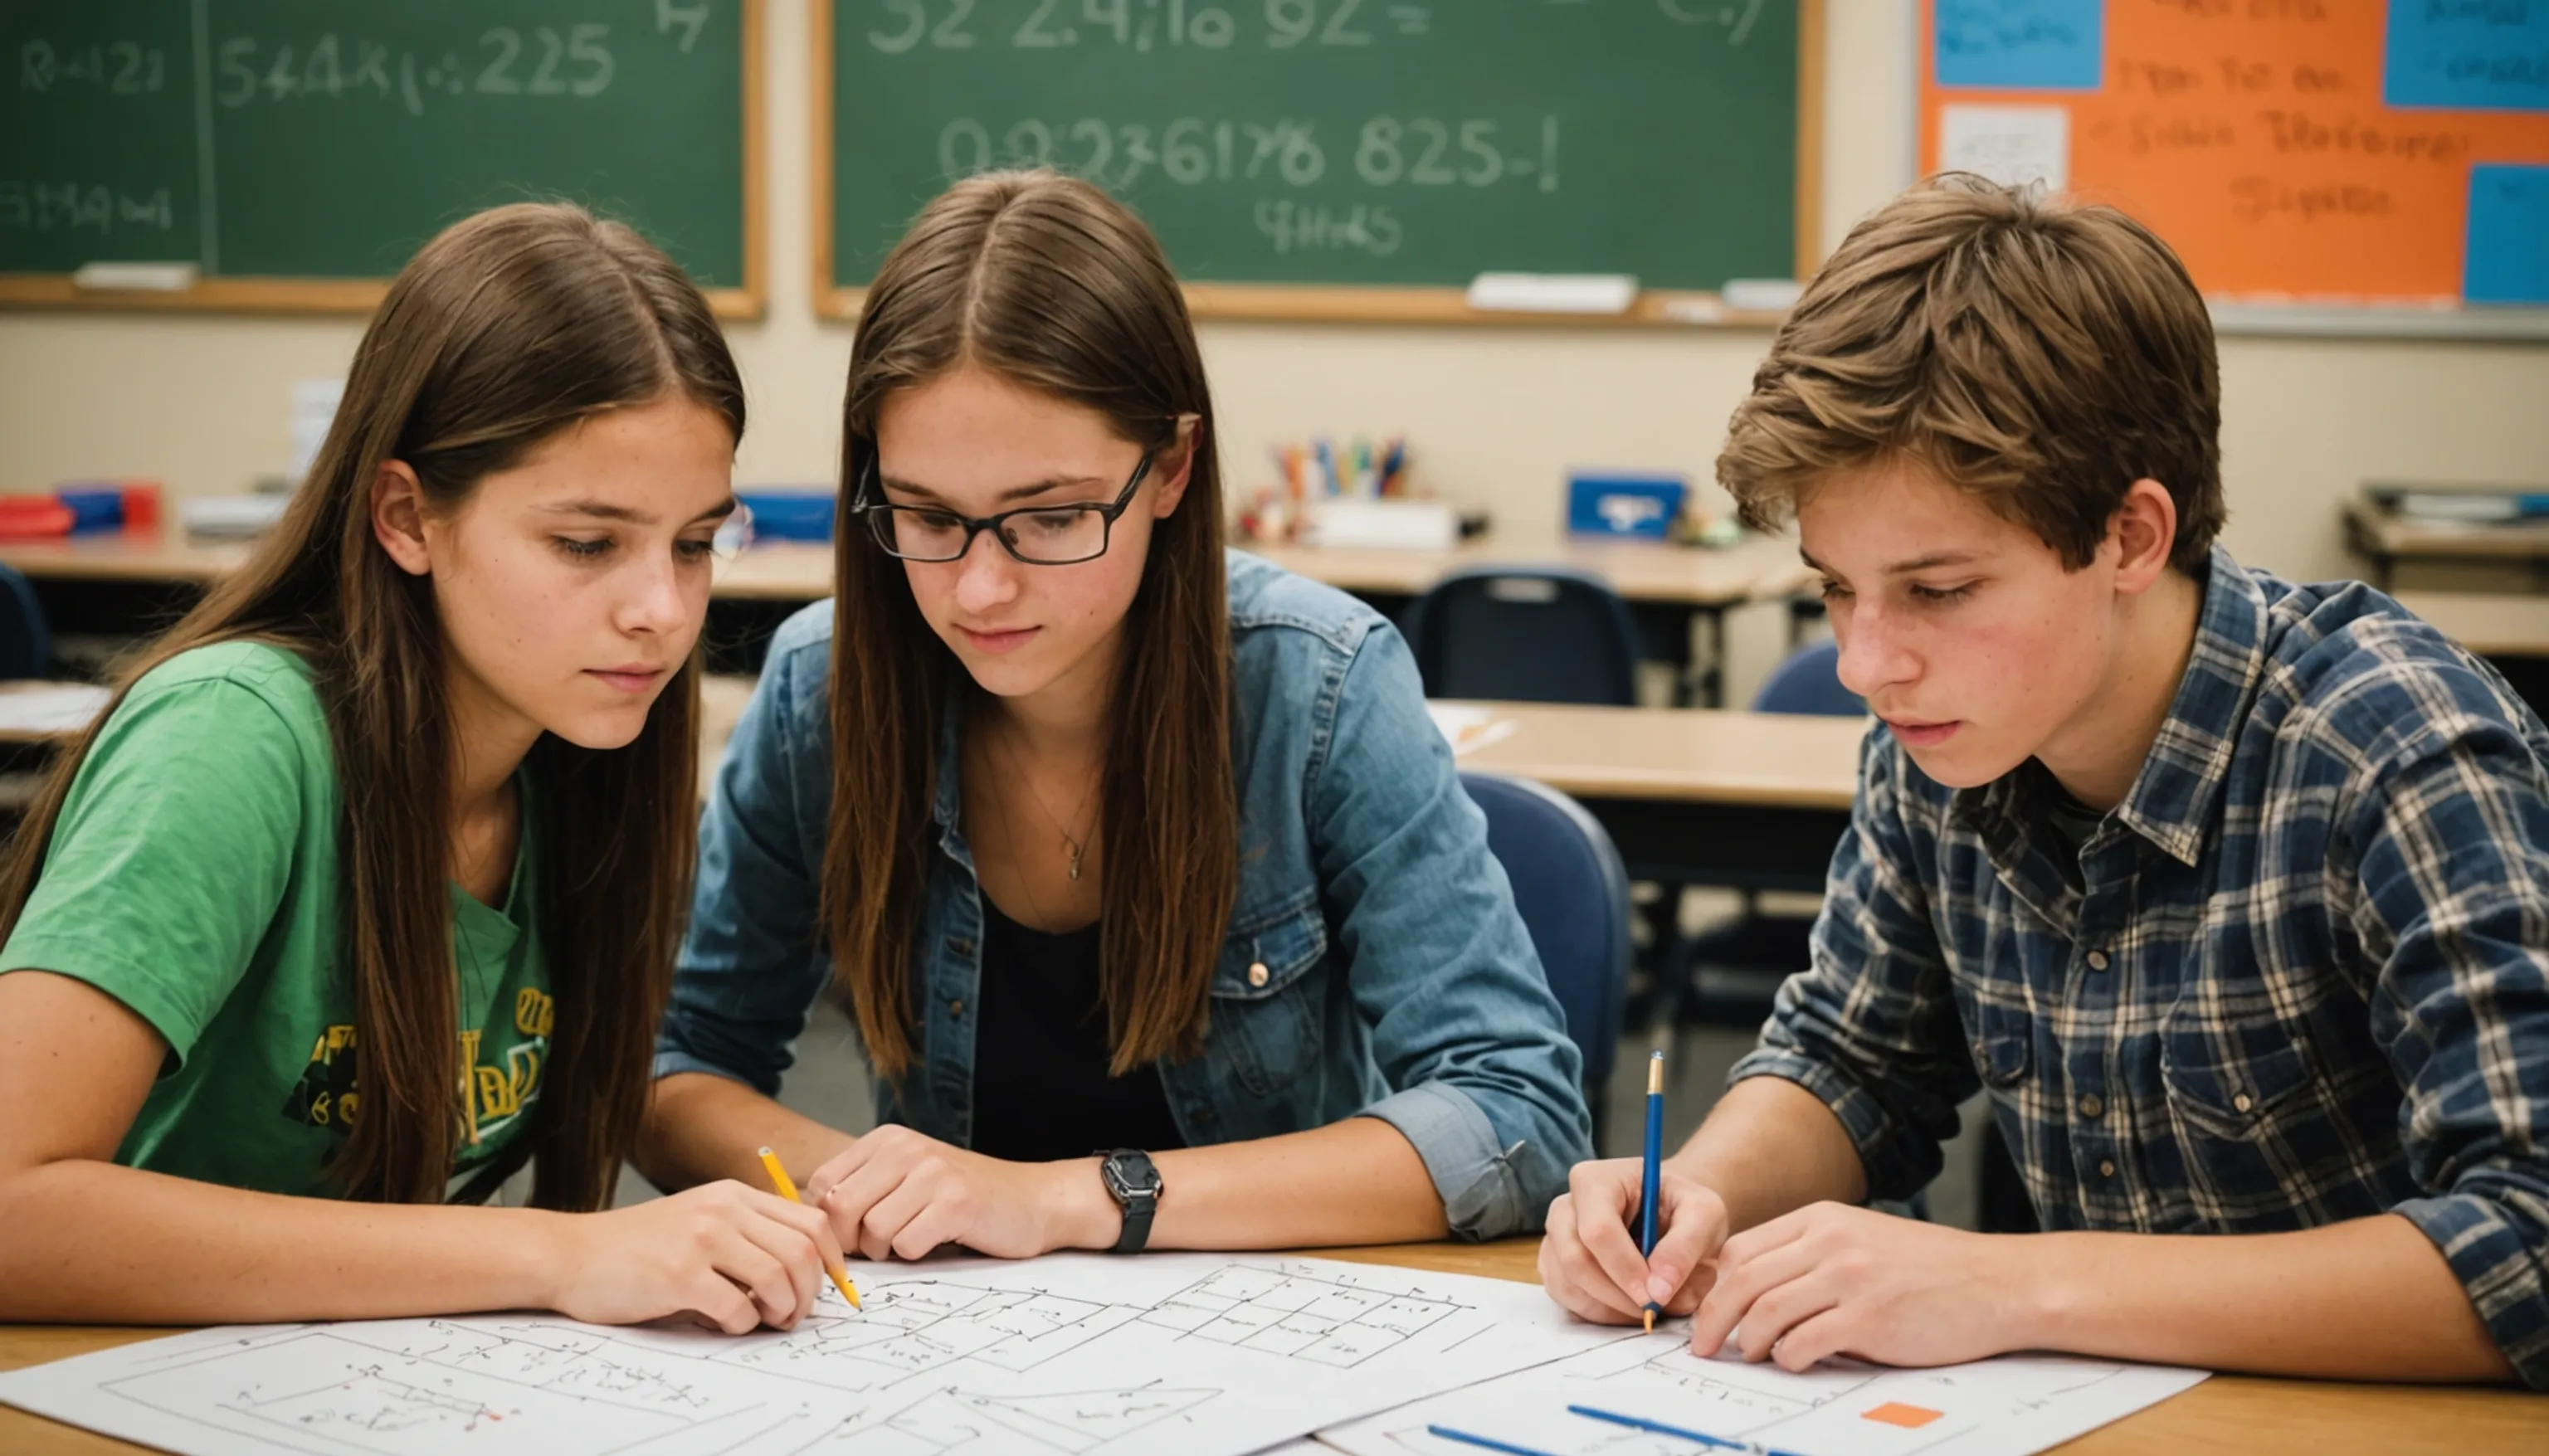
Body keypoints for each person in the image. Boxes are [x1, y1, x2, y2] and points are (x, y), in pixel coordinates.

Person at [1540, 174, 2547, 1387]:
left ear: (2131, 536)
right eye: (1834, 586)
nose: (1865, 661)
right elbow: (1855, 1061)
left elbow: (2527, 1242)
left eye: (1940, 589)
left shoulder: (2396, 750)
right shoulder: (1943, 742)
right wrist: (1693, 1192)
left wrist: (2006, 1280)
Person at [641, 170, 1591, 1259]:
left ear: (1173, 467)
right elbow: (681, 1065)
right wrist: (880, 1186)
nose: (980, 588)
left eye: (1050, 517)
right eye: (926, 515)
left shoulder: (1319, 688)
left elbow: (1516, 1111)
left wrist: (1057, 1200)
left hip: (1280, 1326)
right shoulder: (825, 691)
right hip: (947, 1355)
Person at [0, 202, 846, 1334]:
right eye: (587, 542)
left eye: (695, 542)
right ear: (407, 516)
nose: (661, 610)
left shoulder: (585, 759)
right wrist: (555, 1251)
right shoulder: (232, 741)